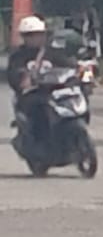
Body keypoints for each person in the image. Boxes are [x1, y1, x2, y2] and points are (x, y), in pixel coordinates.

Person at [7, 15, 55, 149]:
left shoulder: (51, 52)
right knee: (39, 110)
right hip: (31, 95)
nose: (36, 38)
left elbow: (68, 64)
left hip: (54, 91)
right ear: (24, 37)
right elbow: (13, 75)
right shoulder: (18, 56)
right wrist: (23, 79)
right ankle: (39, 144)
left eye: (39, 34)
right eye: (31, 35)